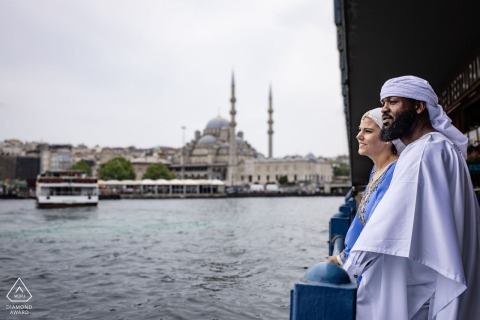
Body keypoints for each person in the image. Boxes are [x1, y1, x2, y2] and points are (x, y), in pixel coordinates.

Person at [344, 75, 480, 319]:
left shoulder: (425, 151)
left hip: (424, 290)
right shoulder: (437, 146)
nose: (385, 109)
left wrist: (350, 267)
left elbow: (389, 223)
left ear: (419, 106)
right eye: (383, 103)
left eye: (393, 102)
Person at [327, 108, 398, 265]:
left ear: (388, 136)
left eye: (367, 131)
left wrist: (347, 259)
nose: (359, 136)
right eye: (360, 130)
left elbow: (379, 228)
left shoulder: (395, 172)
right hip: (360, 261)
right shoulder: (377, 169)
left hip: (376, 267)